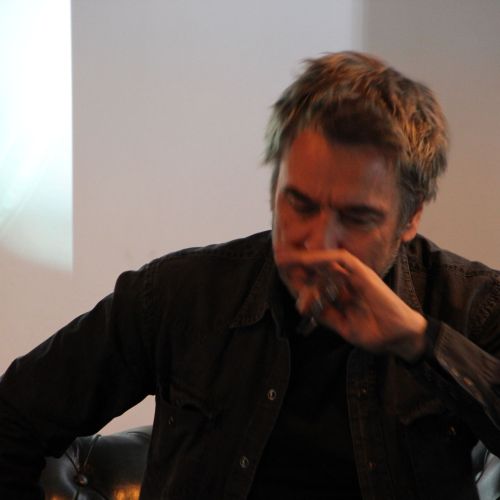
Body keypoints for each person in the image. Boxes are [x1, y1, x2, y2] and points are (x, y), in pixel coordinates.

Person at [1, 51, 499, 500]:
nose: (318, 242)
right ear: (274, 187)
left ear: (411, 217)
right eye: (299, 204)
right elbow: (13, 416)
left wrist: (418, 341)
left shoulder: (472, 305)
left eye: (356, 218)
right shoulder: (181, 296)